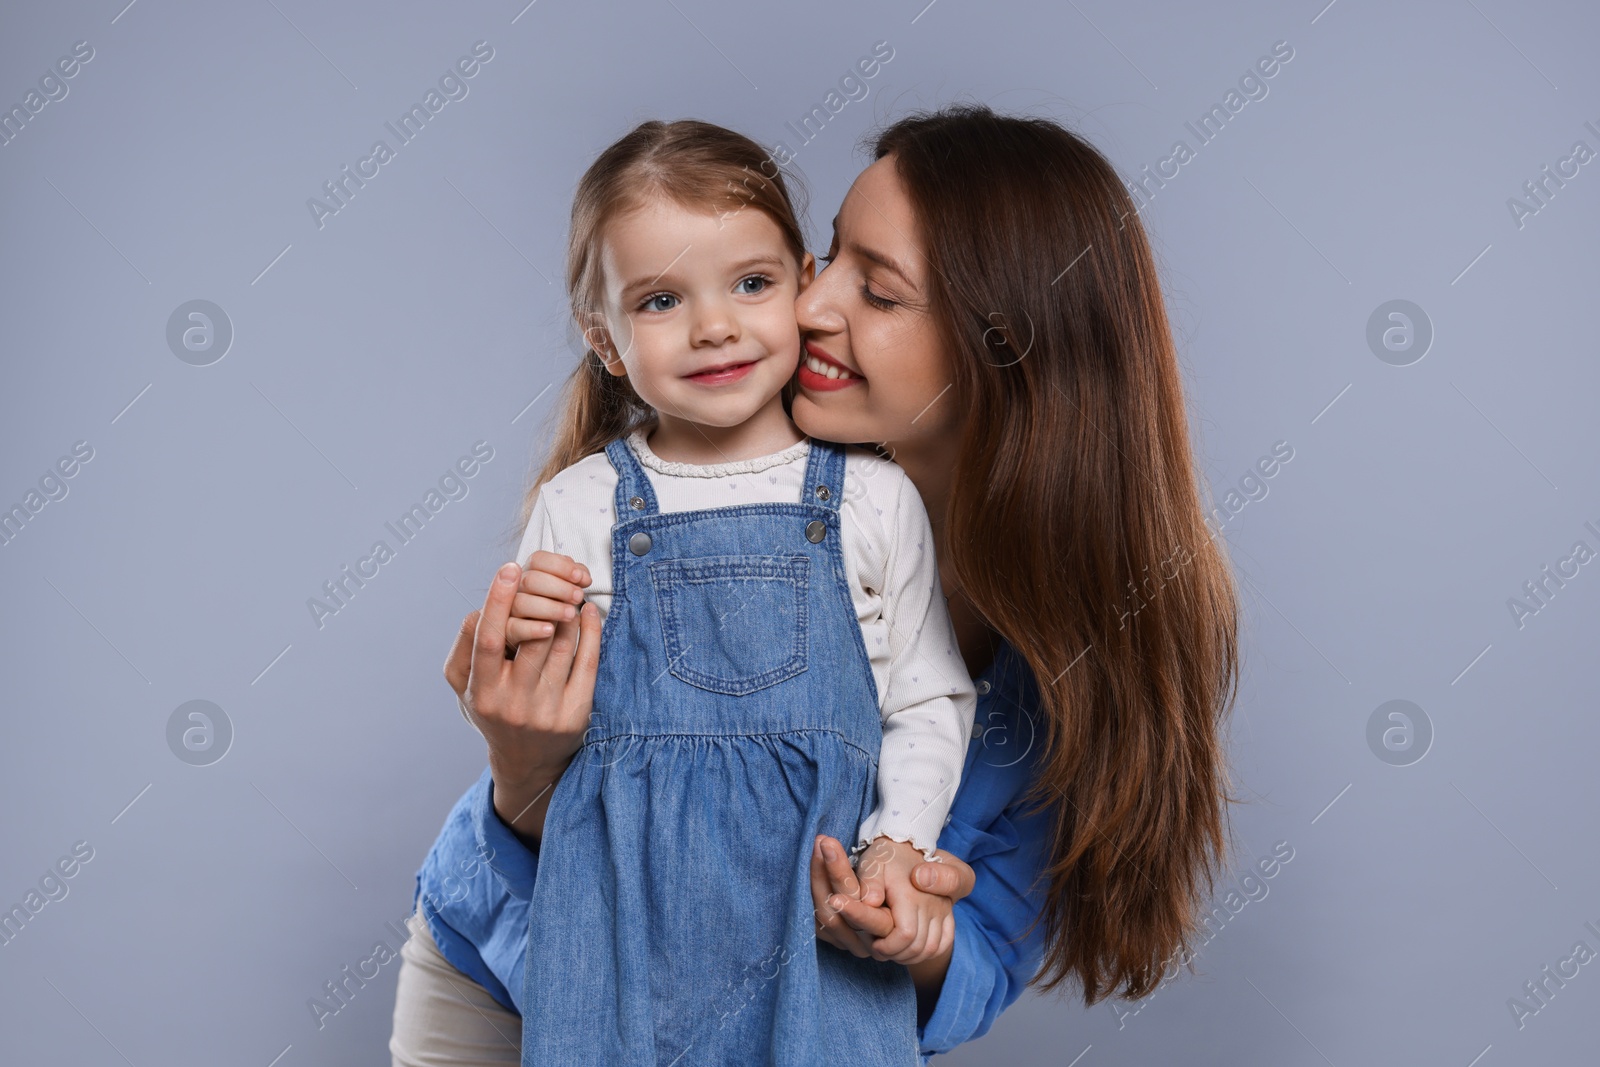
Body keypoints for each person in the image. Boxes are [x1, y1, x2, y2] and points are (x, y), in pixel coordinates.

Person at [391, 103, 1241, 1065]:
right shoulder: (629, 499)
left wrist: (904, 918)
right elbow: (595, 795)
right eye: (826, 256)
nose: (809, 303)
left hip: (795, 1023)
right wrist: (519, 759)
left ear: (1002, 349)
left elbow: (983, 959)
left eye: (875, 291)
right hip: (533, 971)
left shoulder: (1066, 657)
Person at [412, 117, 976, 1066]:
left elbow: (929, 697)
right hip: (625, 941)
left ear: (803, 281)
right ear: (606, 337)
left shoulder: (872, 501)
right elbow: (552, 729)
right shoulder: (582, 503)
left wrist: (899, 845)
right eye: (663, 299)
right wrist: (522, 669)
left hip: (814, 939)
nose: (715, 325)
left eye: (751, 284)